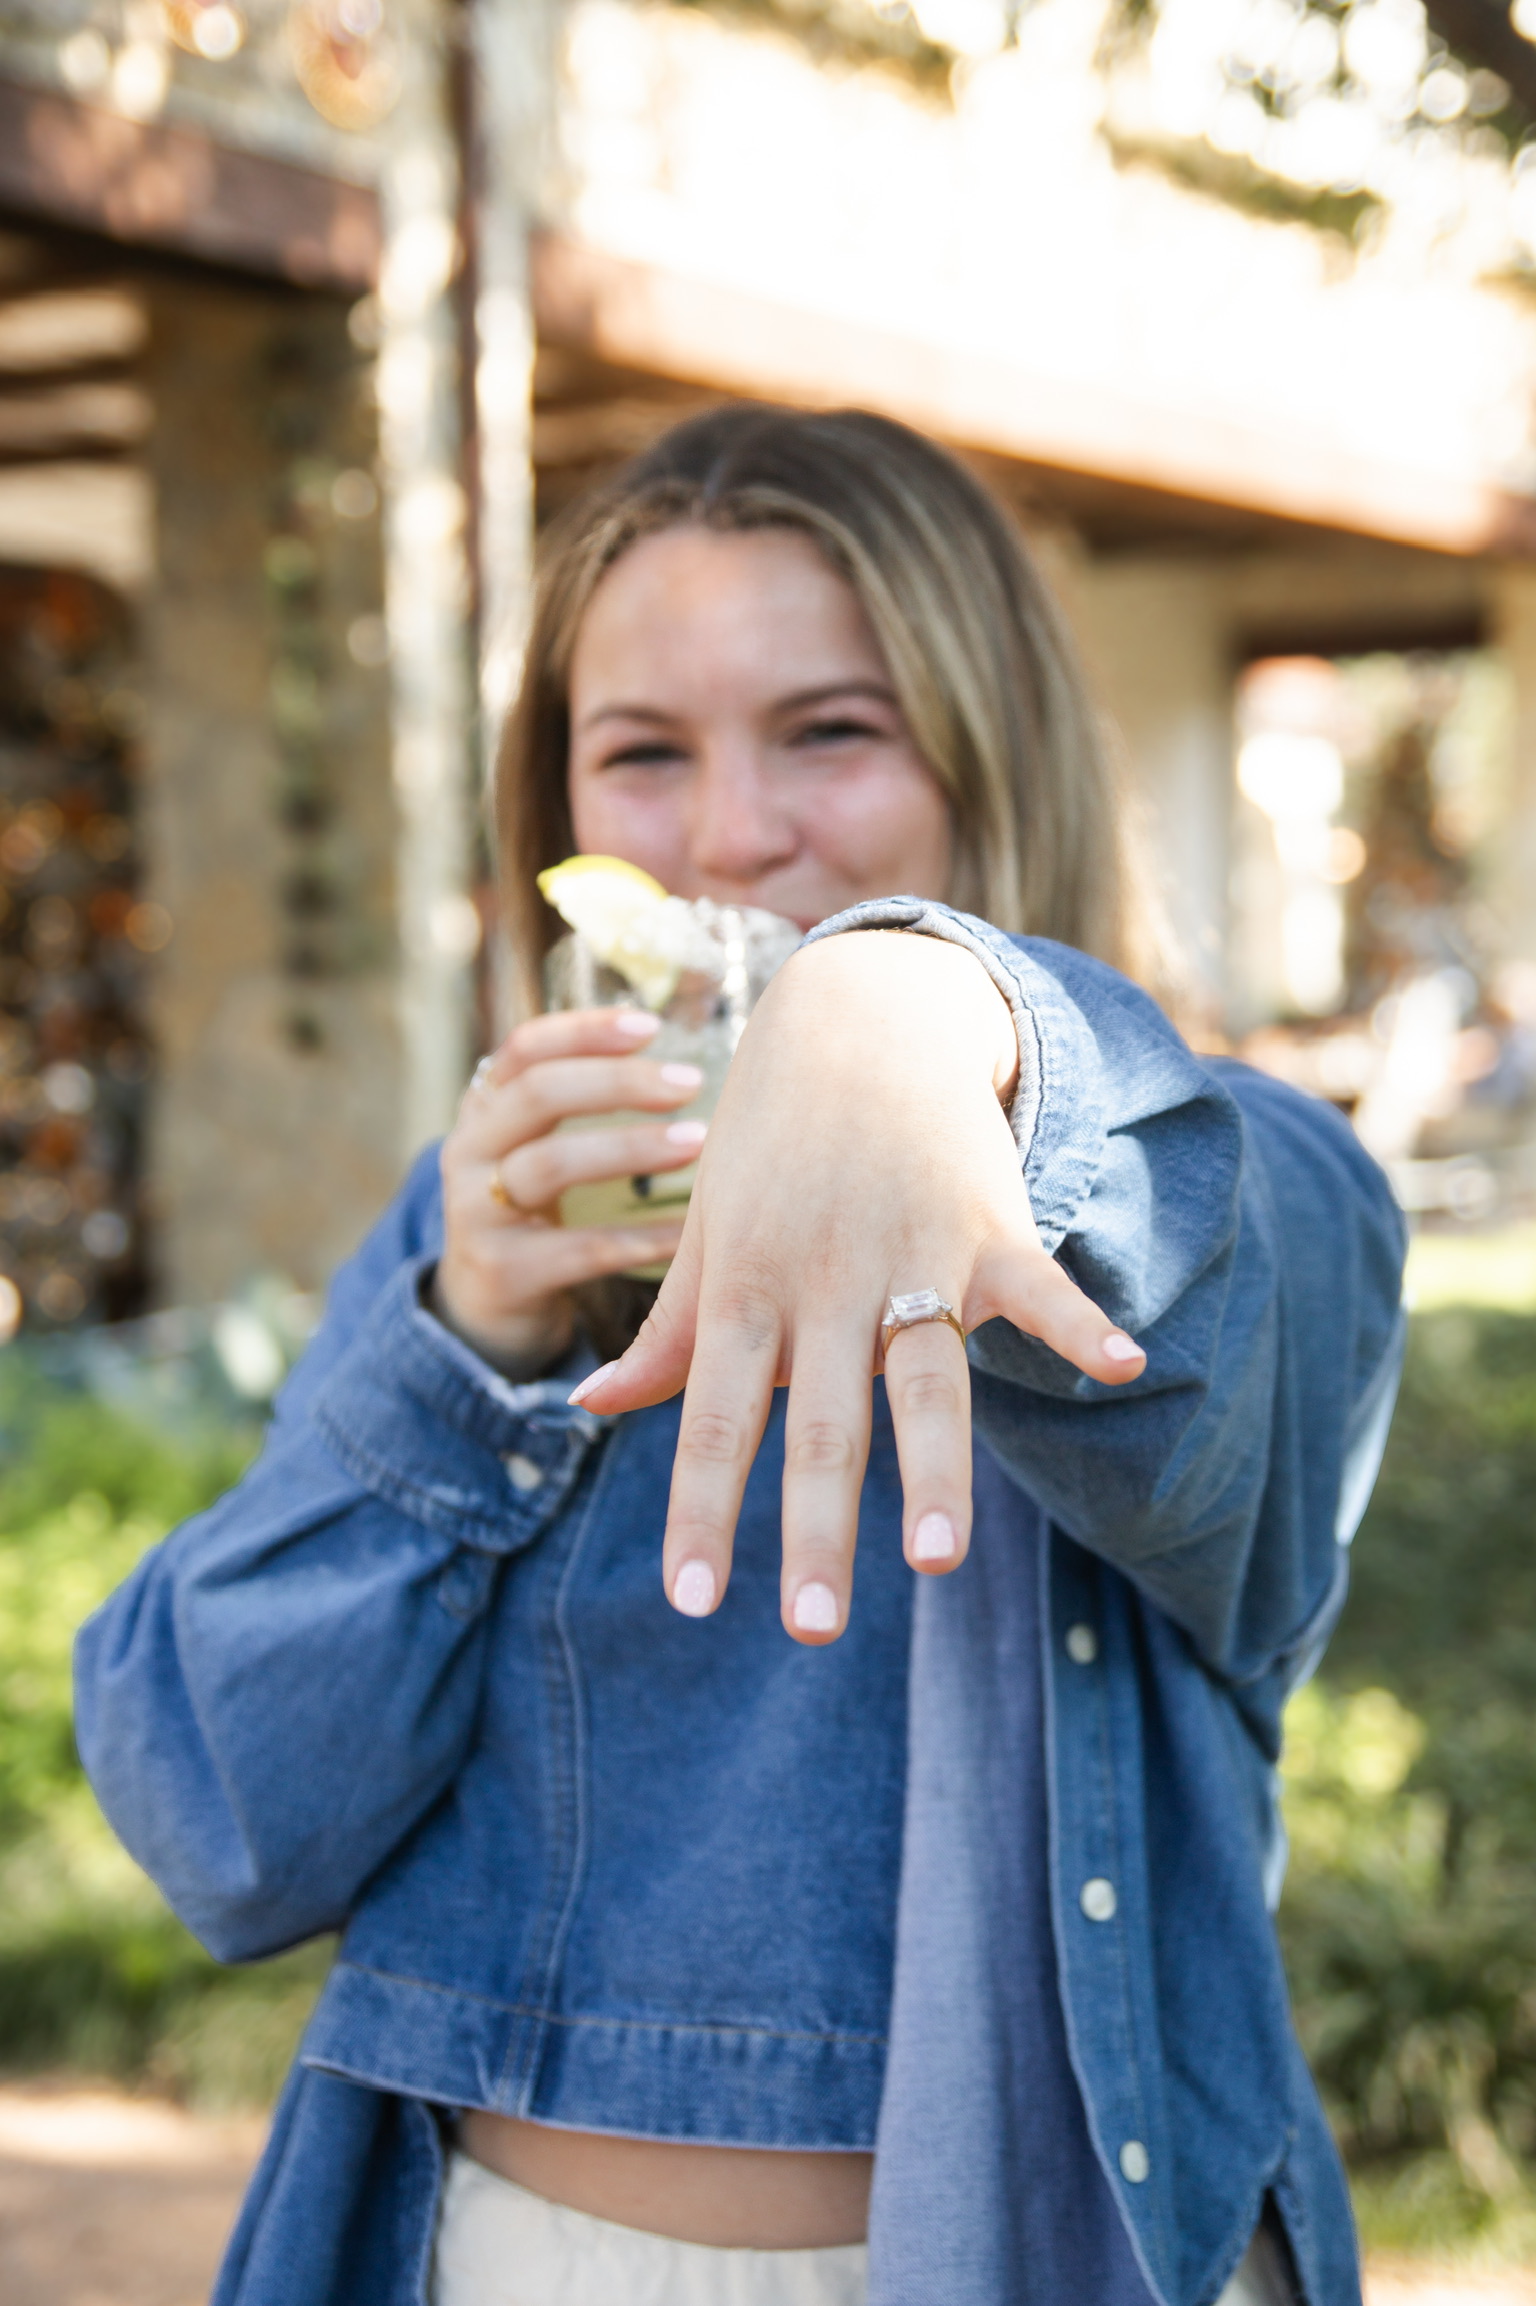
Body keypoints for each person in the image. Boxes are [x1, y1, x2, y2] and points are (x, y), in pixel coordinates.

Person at [74, 407, 1406, 2306]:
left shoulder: (1220, 1165)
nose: (728, 834)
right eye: (642, 752)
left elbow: (1213, 1296)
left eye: (831, 730)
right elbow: (218, 1815)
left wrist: (922, 999)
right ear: (555, 816)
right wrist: (463, 1344)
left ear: (993, 749)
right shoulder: (492, 1236)